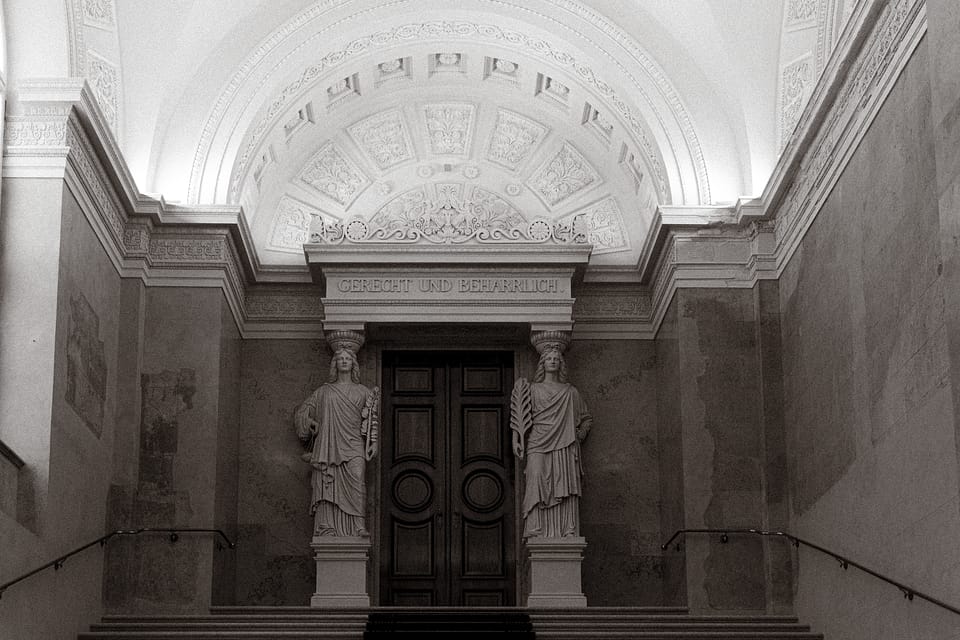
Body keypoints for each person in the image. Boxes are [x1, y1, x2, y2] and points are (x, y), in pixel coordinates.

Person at [295, 348, 379, 537]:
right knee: (328, 482)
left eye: (348, 358)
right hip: (329, 445)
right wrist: (310, 422)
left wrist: (374, 442)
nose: (344, 361)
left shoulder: (363, 392)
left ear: (354, 364)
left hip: (354, 444)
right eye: (340, 358)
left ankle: (358, 527)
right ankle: (327, 526)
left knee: (357, 478)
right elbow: (303, 412)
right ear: (335, 364)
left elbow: (372, 419)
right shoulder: (324, 391)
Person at [511, 348, 592, 538]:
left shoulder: (570, 392)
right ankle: (535, 528)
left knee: (564, 482)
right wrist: (516, 438)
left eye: (556, 358)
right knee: (535, 479)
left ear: (561, 364)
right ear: (543, 363)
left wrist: (579, 434)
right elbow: (519, 416)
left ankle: (567, 529)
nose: (553, 361)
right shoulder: (533, 389)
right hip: (538, 441)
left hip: (565, 442)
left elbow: (586, 418)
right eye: (549, 358)